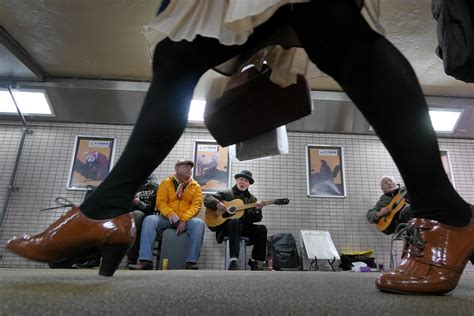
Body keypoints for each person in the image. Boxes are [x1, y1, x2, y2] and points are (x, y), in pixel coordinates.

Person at [6, 0, 472, 295]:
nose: (244, 183)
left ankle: (446, 212)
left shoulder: (241, 194)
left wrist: (243, 206)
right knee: (180, 52)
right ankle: (105, 209)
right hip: (186, 216)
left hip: (210, 222)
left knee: (335, 28)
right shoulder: (192, 186)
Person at [129, 159, 204, 270]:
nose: (189, 169)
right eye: (185, 166)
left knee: (199, 223)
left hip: (186, 220)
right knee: (150, 220)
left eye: (190, 167)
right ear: (177, 168)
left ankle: (191, 262)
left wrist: (183, 220)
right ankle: (146, 261)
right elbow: (160, 202)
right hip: (166, 218)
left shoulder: (196, 186)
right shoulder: (166, 183)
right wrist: (170, 213)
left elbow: (196, 206)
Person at [204, 170, 267, 270]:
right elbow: (207, 198)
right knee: (235, 221)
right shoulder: (225, 193)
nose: (243, 182)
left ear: (249, 184)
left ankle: (254, 260)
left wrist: (258, 210)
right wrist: (217, 203)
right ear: (237, 180)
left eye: (246, 181)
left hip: (245, 229)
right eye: (241, 179)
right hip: (227, 228)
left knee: (262, 229)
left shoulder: (252, 199)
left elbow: (256, 219)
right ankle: (233, 260)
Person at [127, 175, 159, 266]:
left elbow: (151, 207)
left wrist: (139, 203)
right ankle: (94, 258)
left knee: (137, 215)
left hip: (145, 215)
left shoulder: (155, 187)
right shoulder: (132, 186)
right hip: (127, 215)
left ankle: (132, 259)